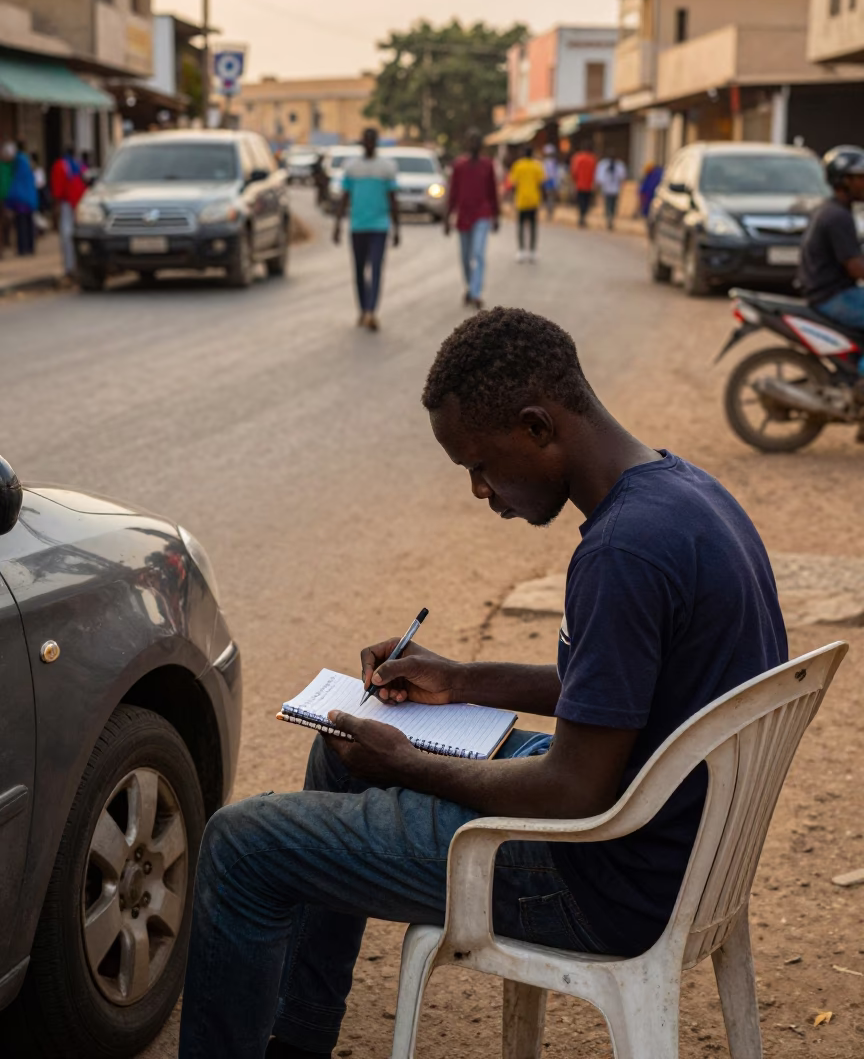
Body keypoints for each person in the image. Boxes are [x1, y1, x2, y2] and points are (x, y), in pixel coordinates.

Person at [177, 306, 786, 1059]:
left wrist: (403, 763)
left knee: (241, 844)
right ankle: (297, 1040)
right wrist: (460, 679)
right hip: (669, 830)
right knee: (339, 752)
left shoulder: (621, 554)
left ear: (538, 427)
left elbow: (574, 791)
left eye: (480, 466)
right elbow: (613, 687)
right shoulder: (684, 493)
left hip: (600, 878)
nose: (479, 491)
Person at [799, 146, 864, 366]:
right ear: (843, 181)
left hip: (828, 292)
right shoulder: (838, 217)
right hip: (833, 297)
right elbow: (855, 268)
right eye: (860, 178)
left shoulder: (830, 210)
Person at [332, 128, 400, 331]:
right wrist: (337, 224)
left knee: (377, 268)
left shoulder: (387, 168)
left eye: (372, 140)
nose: (369, 143)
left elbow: (393, 198)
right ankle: (362, 309)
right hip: (358, 225)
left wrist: (397, 228)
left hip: (379, 226)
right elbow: (344, 197)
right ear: (362, 142)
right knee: (360, 270)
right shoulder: (352, 167)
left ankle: (371, 311)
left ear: (376, 142)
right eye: (366, 140)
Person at [445, 128, 500, 309]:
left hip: (482, 215)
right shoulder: (459, 166)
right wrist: (447, 216)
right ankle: (470, 286)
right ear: (467, 144)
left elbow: (493, 192)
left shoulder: (487, 165)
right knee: (465, 256)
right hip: (463, 216)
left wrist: (496, 215)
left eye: (477, 140)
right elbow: (453, 192)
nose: (474, 144)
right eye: (471, 140)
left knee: (478, 253)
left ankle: (476, 293)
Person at [50, 146, 87, 284]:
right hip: (81, 203)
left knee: (67, 237)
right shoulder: (81, 166)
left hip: (68, 204)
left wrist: (56, 207)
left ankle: (70, 268)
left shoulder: (60, 166)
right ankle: (77, 266)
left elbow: (57, 189)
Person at [508, 144, 545, 262]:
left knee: (520, 226)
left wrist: (511, 199)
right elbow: (541, 183)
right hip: (534, 200)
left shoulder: (518, 166)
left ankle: (521, 251)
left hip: (521, 200)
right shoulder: (537, 166)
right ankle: (533, 251)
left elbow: (513, 184)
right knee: (533, 226)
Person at [6, 141, 38, 256]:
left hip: (20, 200)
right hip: (29, 199)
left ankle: (23, 248)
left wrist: (9, 201)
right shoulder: (27, 160)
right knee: (28, 224)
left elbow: (15, 181)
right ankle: (29, 247)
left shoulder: (18, 161)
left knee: (21, 225)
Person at [595, 154, 628, 230]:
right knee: (607, 203)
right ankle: (608, 218)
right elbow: (600, 176)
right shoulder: (604, 165)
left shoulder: (619, 166)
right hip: (607, 188)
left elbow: (622, 176)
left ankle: (611, 218)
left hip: (615, 189)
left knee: (613, 204)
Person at [569, 144, 597, 227]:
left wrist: (574, 181)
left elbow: (574, 171)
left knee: (580, 201)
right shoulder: (593, 159)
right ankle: (583, 217)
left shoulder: (578, 158)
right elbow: (595, 173)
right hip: (589, 185)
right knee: (586, 202)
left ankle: (581, 217)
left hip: (579, 184)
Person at [0, 141, 17, 257]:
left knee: (6, 222)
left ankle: (4, 245)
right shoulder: (6, 166)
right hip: (5, 199)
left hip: (7, 199)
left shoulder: (10, 166)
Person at [541, 143, 560, 221]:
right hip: (548, 181)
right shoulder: (546, 162)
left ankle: (550, 211)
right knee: (549, 197)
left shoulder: (551, 162)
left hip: (551, 181)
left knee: (550, 197)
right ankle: (549, 211)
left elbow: (555, 173)